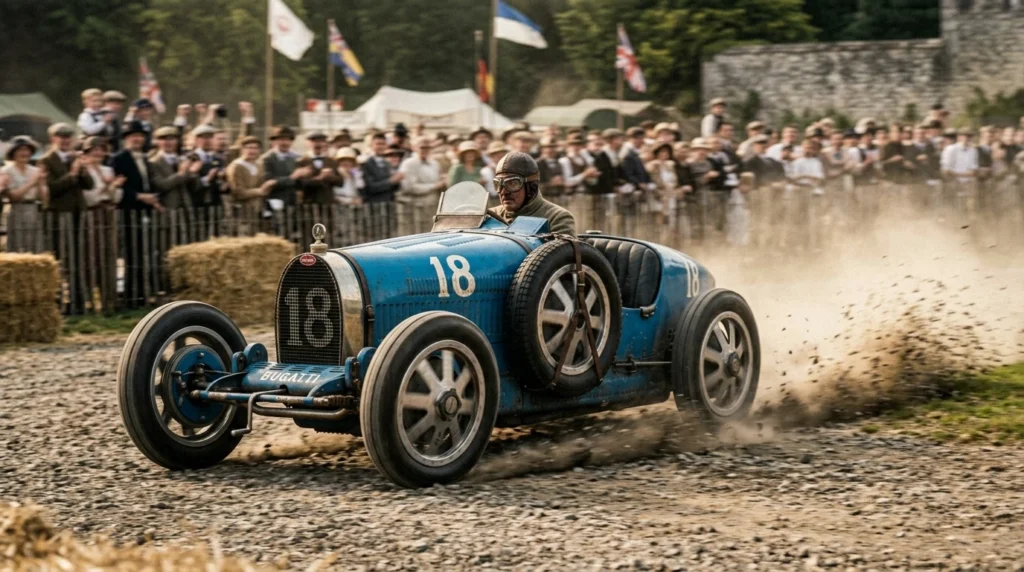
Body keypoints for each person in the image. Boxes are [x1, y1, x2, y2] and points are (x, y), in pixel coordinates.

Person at [112, 120, 163, 309]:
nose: (137, 139)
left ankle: (143, 294)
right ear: (126, 139)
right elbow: (118, 187)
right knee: (132, 254)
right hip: (128, 211)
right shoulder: (119, 159)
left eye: (140, 136)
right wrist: (140, 197)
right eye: (133, 136)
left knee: (145, 252)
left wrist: (153, 200)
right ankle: (131, 296)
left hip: (145, 212)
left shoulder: (146, 159)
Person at [487, 152, 576, 236]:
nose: (503, 192)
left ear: (531, 187)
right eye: (498, 184)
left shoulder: (556, 218)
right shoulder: (490, 216)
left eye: (513, 184)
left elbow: (563, 251)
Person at [1, 136, 46, 252]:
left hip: (33, 210)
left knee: (34, 245)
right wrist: (32, 182)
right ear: (13, 153)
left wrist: (41, 184)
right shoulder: (5, 171)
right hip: (16, 210)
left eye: (27, 150)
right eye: (20, 150)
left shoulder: (35, 171)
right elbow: (14, 197)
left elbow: (44, 199)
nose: (24, 153)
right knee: (17, 245)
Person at [398, 136, 446, 233]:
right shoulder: (409, 163)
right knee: (417, 235)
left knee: (432, 233)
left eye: (427, 147)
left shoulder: (434, 163)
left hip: (433, 206)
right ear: (414, 147)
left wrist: (443, 181)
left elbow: (438, 181)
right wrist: (434, 186)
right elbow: (409, 187)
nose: (425, 150)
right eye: (422, 147)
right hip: (415, 207)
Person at [148, 126, 197, 210]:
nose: (168, 143)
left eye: (171, 139)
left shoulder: (182, 159)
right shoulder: (153, 162)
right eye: (164, 139)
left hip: (186, 207)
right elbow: (161, 185)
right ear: (158, 142)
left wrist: (193, 172)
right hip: (166, 208)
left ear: (177, 141)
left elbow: (194, 185)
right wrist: (180, 174)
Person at [262, 125, 308, 213]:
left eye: (288, 140)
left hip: (294, 202)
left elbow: (300, 182)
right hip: (275, 200)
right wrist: (292, 178)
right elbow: (269, 181)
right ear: (274, 141)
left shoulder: (297, 158)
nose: (285, 143)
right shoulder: (267, 158)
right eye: (281, 140)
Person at [297, 131, 343, 206]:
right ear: (308, 143)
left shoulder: (331, 161)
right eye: (314, 142)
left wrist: (331, 177)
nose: (318, 144)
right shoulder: (301, 161)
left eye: (321, 141)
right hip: (309, 203)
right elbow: (300, 184)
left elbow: (341, 182)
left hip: (328, 203)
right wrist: (319, 178)